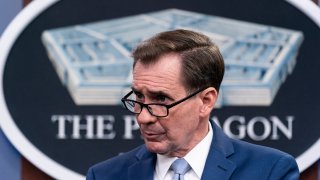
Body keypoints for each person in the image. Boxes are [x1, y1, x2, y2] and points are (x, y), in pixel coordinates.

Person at [86, 29, 299, 180]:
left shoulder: (270, 171)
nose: (143, 117)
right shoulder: (105, 175)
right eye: (140, 97)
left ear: (206, 101)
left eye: (161, 99)